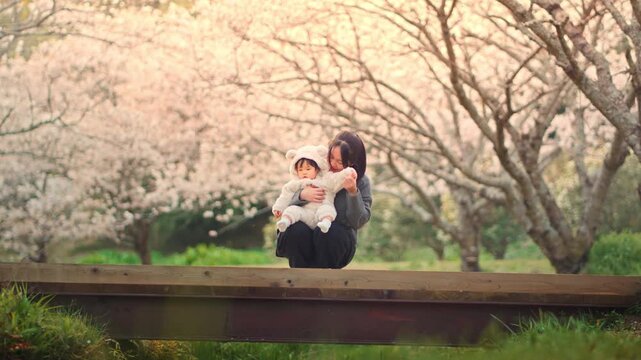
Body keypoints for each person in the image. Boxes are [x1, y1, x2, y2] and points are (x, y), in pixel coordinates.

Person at [275, 130, 372, 269]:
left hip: (335, 241)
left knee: (330, 231)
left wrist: (352, 193)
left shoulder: (361, 181)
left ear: (353, 161)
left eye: (340, 161)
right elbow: (285, 200)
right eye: (331, 157)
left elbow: (358, 221)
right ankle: (297, 279)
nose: (333, 164)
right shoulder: (314, 168)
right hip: (303, 233)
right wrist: (301, 196)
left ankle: (324, 281)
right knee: (295, 230)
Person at [271, 144, 356, 234]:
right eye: (300, 170)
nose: (304, 172)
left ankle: (325, 223)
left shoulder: (324, 179)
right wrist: (278, 208)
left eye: (308, 169)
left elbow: (335, 179)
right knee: (291, 210)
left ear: (317, 169)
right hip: (305, 213)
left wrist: (348, 173)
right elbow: (285, 195)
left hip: (321, 212)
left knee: (327, 209)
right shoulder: (295, 184)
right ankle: (285, 222)